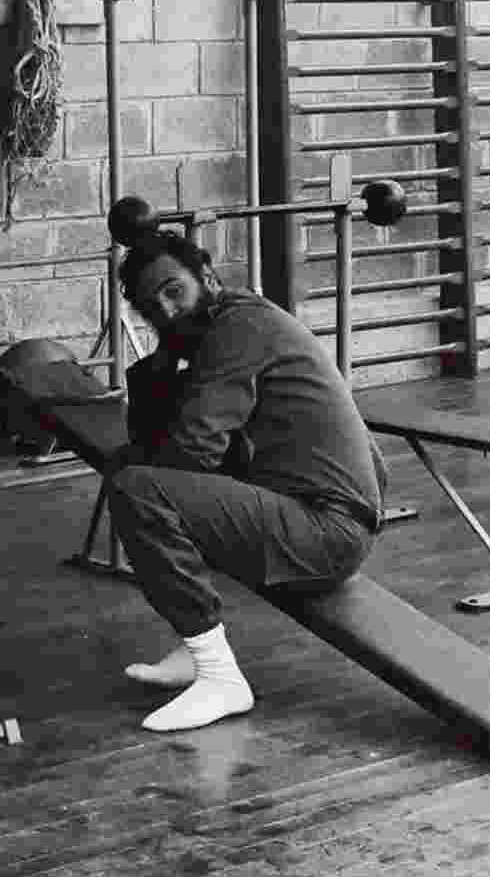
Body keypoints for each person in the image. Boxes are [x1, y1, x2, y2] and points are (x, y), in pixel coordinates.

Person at [106, 221, 387, 734]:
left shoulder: (239, 329)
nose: (166, 311)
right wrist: (164, 364)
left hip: (326, 532)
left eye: (174, 291)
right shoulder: (227, 325)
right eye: (152, 307)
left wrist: (140, 464)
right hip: (316, 514)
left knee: (137, 490)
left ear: (207, 277)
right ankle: (195, 648)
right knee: (142, 476)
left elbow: (192, 450)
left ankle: (220, 677)